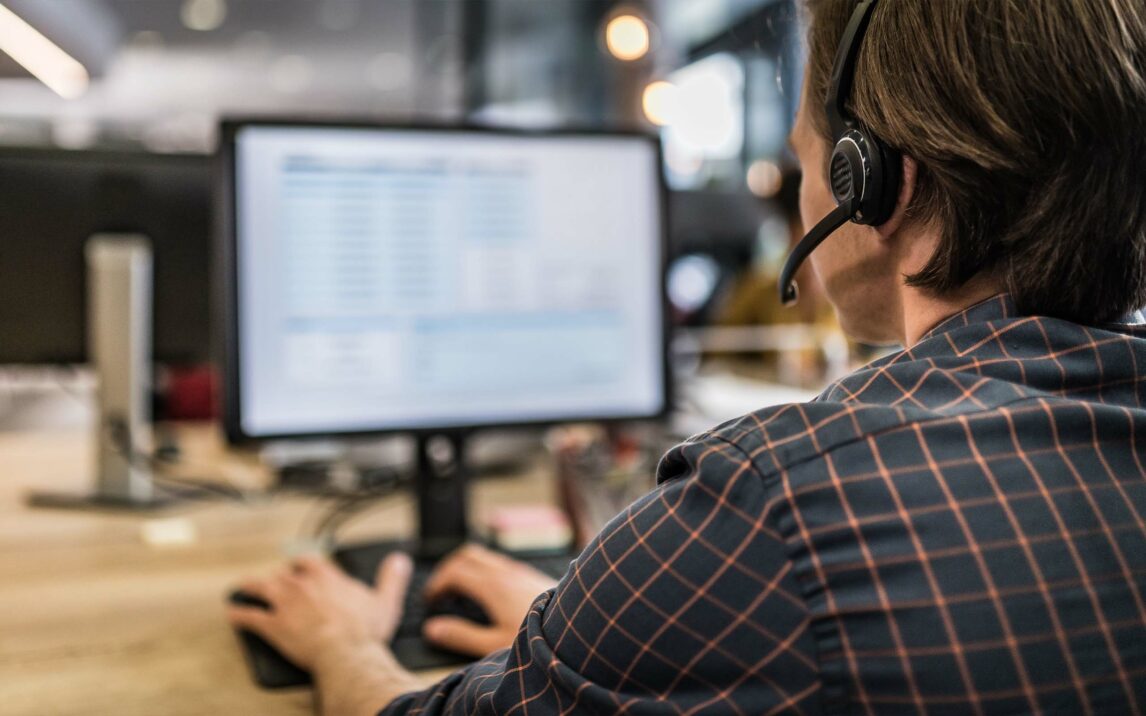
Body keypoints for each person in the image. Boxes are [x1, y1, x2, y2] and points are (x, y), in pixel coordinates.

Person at [227, 0, 1146, 713]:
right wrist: (606, 630)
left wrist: (344, 644)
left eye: (807, 158)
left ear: (874, 180)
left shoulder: (769, 508)